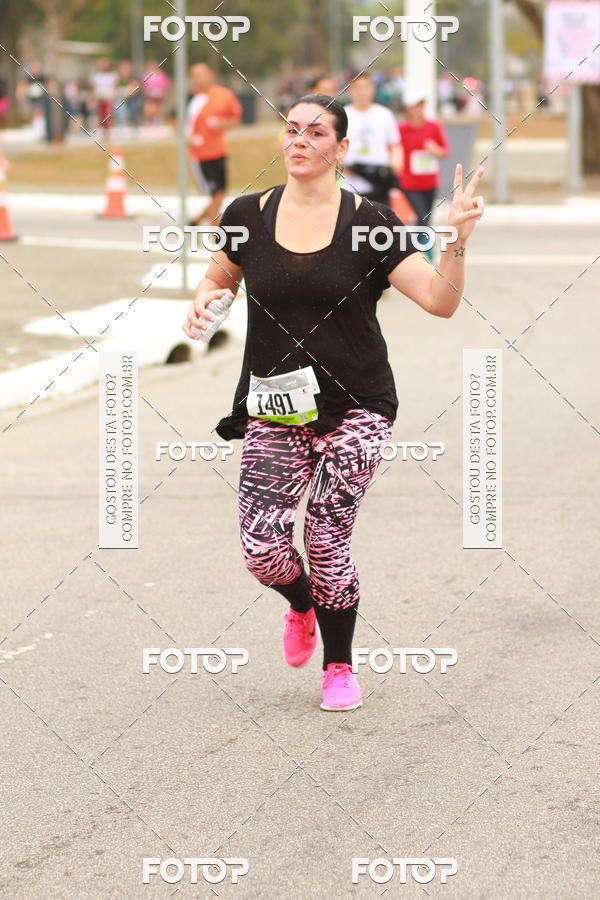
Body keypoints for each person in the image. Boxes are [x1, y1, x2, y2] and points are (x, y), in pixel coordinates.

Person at [182, 93, 484, 711]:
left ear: (341, 149)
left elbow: (440, 300)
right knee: (263, 548)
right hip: (276, 405)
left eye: (316, 132)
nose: (300, 140)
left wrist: (454, 241)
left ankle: (340, 666)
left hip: (359, 404)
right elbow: (219, 276)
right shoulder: (247, 213)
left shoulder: (370, 221)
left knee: (325, 533)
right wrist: (204, 303)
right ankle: (302, 604)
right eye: (291, 129)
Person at [186, 62, 243, 226]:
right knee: (214, 194)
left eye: (202, 74)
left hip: (219, 150)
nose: (198, 79)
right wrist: (186, 136)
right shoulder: (190, 98)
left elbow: (235, 118)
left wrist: (222, 125)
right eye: (195, 76)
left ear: (210, 75)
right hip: (200, 154)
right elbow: (175, 120)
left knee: (220, 193)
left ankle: (196, 221)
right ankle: (215, 231)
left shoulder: (224, 95)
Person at [397, 88, 450, 260]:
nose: (418, 109)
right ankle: (423, 250)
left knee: (427, 216)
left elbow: (445, 151)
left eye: (421, 105)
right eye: (414, 106)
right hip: (409, 182)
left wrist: (435, 150)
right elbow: (392, 149)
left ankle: (420, 248)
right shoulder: (400, 129)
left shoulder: (434, 126)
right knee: (422, 214)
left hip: (430, 180)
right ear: (407, 109)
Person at [340, 71, 402, 206]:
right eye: (357, 88)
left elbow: (395, 145)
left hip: (379, 184)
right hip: (352, 185)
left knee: (380, 226)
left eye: (366, 87)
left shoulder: (384, 114)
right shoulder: (342, 115)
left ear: (373, 89)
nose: (362, 92)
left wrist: (395, 165)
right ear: (350, 90)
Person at [91, 57, 118, 135]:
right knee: (101, 116)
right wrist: (93, 98)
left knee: (108, 115)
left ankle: (109, 131)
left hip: (108, 99)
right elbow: (94, 88)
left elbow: (114, 87)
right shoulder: (96, 76)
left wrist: (112, 96)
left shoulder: (112, 76)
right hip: (100, 99)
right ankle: (103, 131)